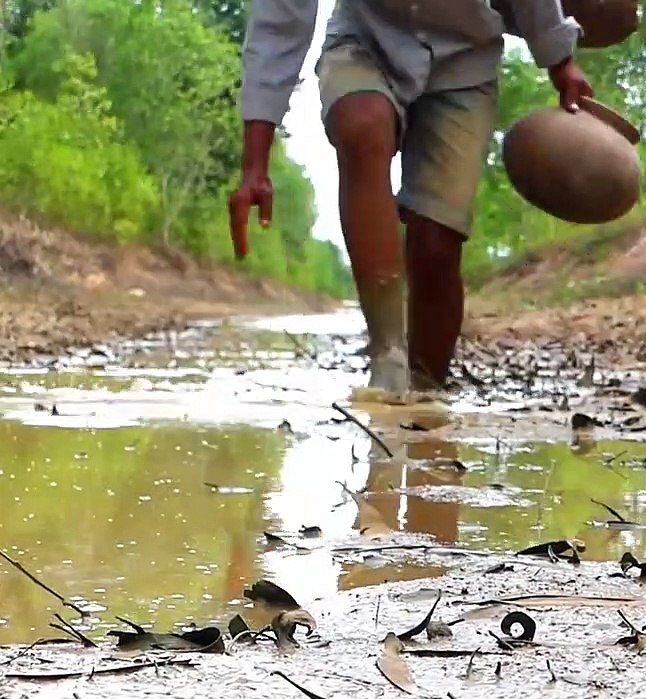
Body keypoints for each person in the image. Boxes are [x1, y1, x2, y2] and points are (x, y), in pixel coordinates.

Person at [228, 0, 594, 400]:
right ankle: (387, 362)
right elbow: (280, 19)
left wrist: (559, 59)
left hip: (465, 58)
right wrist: (255, 164)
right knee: (361, 123)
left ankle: (428, 392)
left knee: (435, 240)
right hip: (364, 41)